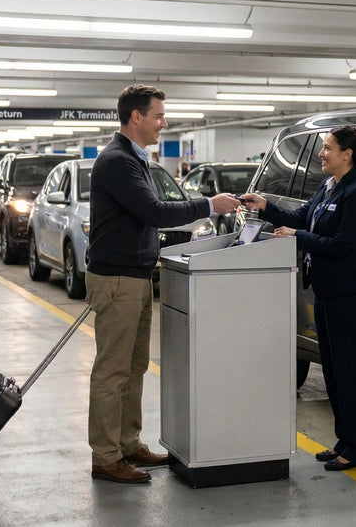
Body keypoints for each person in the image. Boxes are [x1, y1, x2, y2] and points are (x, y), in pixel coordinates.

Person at [85, 83, 239, 484]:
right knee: (112, 371)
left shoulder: (134, 160)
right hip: (117, 279)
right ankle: (105, 457)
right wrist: (209, 204)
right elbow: (152, 210)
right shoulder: (117, 161)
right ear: (136, 117)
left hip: (133, 276)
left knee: (134, 367)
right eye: (158, 116)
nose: (163, 123)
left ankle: (127, 443)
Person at [239, 125, 356, 471]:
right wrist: (266, 206)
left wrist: (298, 236)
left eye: (327, 148)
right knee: (331, 369)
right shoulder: (328, 186)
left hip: (347, 293)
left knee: (347, 372)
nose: (321, 153)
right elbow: (301, 217)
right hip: (325, 291)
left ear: (347, 154)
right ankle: (344, 441)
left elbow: (344, 246)